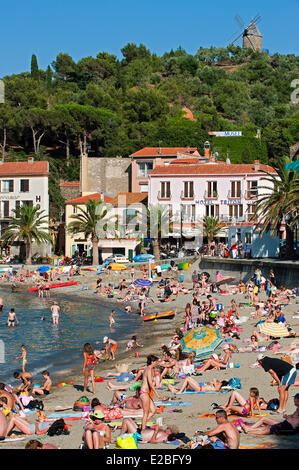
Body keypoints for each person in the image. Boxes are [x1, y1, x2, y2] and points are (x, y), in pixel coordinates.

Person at [140, 355, 162, 431]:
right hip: (144, 392)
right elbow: (150, 383)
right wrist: (157, 394)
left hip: (146, 393)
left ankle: (143, 424)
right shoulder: (148, 369)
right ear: (152, 362)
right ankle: (142, 430)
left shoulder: (148, 368)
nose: (156, 363)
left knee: (153, 410)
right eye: (155, 361)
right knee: (146, 412)